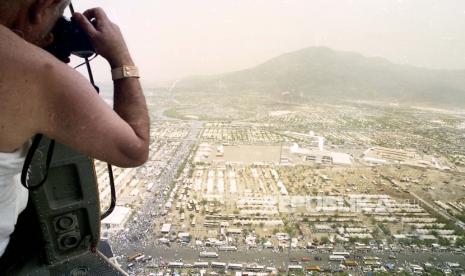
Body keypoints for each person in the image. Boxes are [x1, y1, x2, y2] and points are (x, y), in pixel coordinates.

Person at [0, 0, 150, 258]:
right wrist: (120, 55)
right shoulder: (38, 72)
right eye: (56, 17)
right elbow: (135, 149)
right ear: (41, 8)